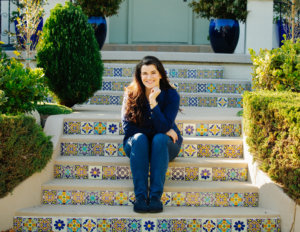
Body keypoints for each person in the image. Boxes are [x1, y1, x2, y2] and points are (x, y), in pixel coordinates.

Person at [121, 56, 183, 213]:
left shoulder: (172, 95)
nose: (149, 77)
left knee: (160, 138)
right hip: (137, 146)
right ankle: (140, 197)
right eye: (144, 73)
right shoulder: (130, 94)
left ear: (160, 74)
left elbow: (164, 126)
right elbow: (129, 130)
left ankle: (155, 197)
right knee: (141, 138)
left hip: (165, 146)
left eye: (153, 72)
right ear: (139, 76)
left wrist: (153, 103)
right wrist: (163, 129)